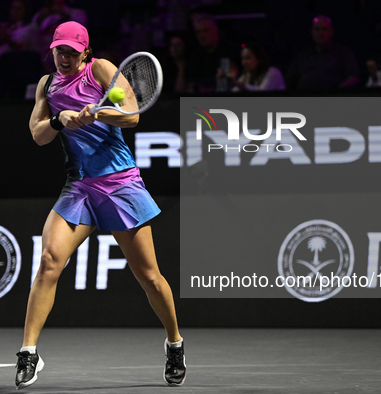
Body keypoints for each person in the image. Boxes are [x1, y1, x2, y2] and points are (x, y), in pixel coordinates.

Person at [15, 21, 185, 389]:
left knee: (149, 276)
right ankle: (28, 352)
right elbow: (37, 134)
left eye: (71, 52)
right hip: (78, 187)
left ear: (85, 53)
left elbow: (133, 115)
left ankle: (174, 342)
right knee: (48, 261)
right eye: (58, 50)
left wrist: (98, 112)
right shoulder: (48, 84)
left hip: (120, 183)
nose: (63, 57)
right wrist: (60, 120)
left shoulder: (102, 69)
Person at [286, 15, 360, 90]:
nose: (320, 33)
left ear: (331, 31)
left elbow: (354, 77)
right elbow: (290, 81)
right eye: (317, 29)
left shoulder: (343, 53)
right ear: (312, 32)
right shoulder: (302, 56)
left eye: (324, 29)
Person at [187, 13, 239, 92]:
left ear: (215, 30)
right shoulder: (196, 56)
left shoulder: (230, 50)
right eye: (198, 32)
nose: (201, 35)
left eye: (205, 30)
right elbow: (191, 83)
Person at [219, 42, 286, 91]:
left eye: (248, 58)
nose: (244, 62)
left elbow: (262, 93)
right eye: (242, 59)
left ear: (258, 59)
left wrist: (237, 83)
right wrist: (228, 80)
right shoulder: (247, 75)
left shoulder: (273, 72)